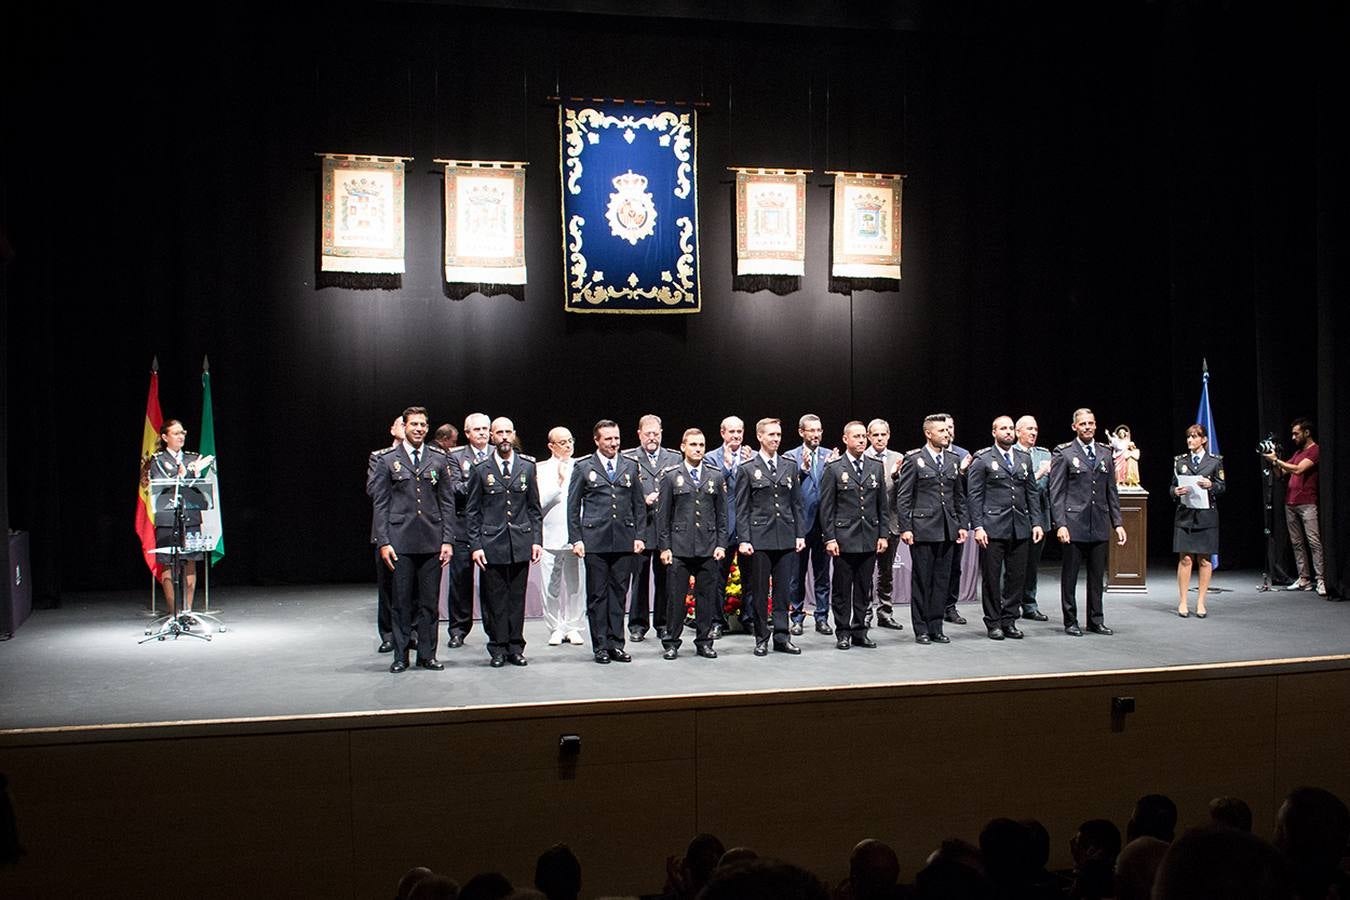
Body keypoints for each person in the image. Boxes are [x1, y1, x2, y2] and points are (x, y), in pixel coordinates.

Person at [369, 406, 453, 673]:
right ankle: (401, 655)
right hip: (400, 541)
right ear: (404, 427)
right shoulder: (387, 459)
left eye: (423, 425)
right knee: (401, 602)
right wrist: (384, 541)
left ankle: (427, 655)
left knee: (429, 603)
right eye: (414, 424)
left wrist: (448, 540)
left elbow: (447, 503)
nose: (419, 429)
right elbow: (380, 504)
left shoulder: (438, 458)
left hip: (431, 540)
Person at [567, 419, 646, 664]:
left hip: (623, 539)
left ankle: (616, 644)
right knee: (597, 596)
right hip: (595, 540)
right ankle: (600, 645)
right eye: (609, 439)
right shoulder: (583, 467)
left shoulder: (630, 466)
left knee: (619, 594)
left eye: (617, 438)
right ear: (597, 440)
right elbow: (572, 507)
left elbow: (639, 505)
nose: (614, 443)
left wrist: (640, 536)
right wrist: (576, 539)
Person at [467, 417, 543, 667]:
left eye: (508, 432)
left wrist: (536, 540)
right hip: (492, 543)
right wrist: (476, 545)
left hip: (520, 541)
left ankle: (515, 646)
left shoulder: (527, 467)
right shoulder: (481, 470)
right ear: (491, 436)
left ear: (514, 434)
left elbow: (534, 508)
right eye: (499, 433)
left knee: (516, 598)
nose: (504, 437)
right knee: (496, 599)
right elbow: (473, 511)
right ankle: (497, 647)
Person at [1049, 408, 1126, 636]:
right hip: (1073, 523)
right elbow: (1057, 493)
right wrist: (1060, 524)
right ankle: (1070, 621)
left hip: (1099, 522)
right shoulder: (1064, 453)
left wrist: (1118, 523)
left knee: (1096, 576)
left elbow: (1111, 491)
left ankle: (1095, 619)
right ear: (1075, 427)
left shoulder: (1104, 452)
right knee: (1070, 576)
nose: (1088, 427)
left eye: (1091, 423)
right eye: (1083, 424)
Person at [967, 415, 1045, 640]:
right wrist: (978, 526)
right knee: (992, 578)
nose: (1008, 432)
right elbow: (974, 496)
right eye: (1003, 428)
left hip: (1019, 525)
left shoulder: (1023, 458)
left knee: (1016, 577)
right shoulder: (982, 459)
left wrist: (1037, 522)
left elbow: (1031, 492)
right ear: (994, 432)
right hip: (992, 528)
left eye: (1011, 428)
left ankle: (1009, 620)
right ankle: (993, 622)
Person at [735, 417, 807, 656]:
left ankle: (781, 636)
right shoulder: (747, 469)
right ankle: (761, 637)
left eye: (778, 434)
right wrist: (744, 539)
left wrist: (800, 534)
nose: (776, 439)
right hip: (759, 538)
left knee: (782, 591)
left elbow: (797, 504)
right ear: (760, 437)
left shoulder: (789, 465)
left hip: (785, 536)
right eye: (771, 435)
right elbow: (742, 507)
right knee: (758, 591)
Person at [894, 414, 967, 645]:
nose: (947, 434)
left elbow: (959, 497)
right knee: (922, 580)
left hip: (947, 529)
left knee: (942, 580)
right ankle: (921, 628)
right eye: (942, 431)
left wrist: (962, 524)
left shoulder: (953, 459)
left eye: (947, 430)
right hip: (923, 529)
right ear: (928, 433)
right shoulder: (915, 459)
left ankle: (936, 626)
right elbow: (904, 497)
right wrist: (906, 527)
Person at [656, 428, 728, 659]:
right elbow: (663, 515)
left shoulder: (715, 475)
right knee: (676, 598)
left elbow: (722, 515)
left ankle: (704, 641)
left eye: (701, 445)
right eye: (693, 445)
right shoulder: (670, 475)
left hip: (708, 546)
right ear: (683, 446)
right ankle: (671, 642)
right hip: (679, 547)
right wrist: (664, 547)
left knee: (706, 598)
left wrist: (721, 544)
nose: (698, 449)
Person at [820, 421, 888, 649]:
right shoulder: (834, 468)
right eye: (856, 437)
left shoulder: (876, 466)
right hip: (843, 538)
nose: (861, 440)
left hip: (868, 536)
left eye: (863, 437)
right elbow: (827, 507)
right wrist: (829, 537)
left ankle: (860, 630)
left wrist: (883, 535)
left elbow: (882, 506)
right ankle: (843, 632)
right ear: (845, 439)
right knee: (841, 589)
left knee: (863, 588)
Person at [623, 414, 682, 642]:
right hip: (641, 528)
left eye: (656, 433)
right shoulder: (629, 458)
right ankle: (637, 625)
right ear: (639, 434)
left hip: (666, 529)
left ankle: (663, 623)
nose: (652, 438)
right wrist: (642, 499)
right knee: (639, 579)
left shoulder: (674, 458)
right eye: (648, 433)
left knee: (666, 579)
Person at [143, 418, 207, 619]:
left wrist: (196, 471)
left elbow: (198, 487)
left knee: (190, 561)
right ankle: (174, 613)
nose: (181, 436)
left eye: (183, 433)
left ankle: (187, 611)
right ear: (165, 437)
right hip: (167, 518)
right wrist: (182, 474)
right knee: (169, 562)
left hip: (190, 516)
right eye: (176, 433)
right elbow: (161, 485)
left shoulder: (192, 458)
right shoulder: (158, 460)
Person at [783, 414, 834, 636]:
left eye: (819, 430)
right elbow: (785, 489)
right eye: (811, 430)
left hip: (824, 525)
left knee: (823, 575)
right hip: (800, 526)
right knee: (797, 575)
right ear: (801, 432)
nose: (816, 434)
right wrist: (801, 470)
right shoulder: (789, 457)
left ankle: (822, 617)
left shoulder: (830, 456)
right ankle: (796, 617)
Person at [535, 427, 586, 647]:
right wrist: (558, 483)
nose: (567, 445)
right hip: (550, 534)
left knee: (576, 585)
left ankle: (574, 626)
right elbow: (538, 504)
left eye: (570, 441)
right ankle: (555, 627)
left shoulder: (582, 466)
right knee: (550, 586)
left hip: (576, 536)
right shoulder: (541, 469)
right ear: (551, 446)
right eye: (562, 442)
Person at [706, 416, 756, 636]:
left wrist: (746, 466)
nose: (736, 436)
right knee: (717, 577)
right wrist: (726, 466)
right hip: (721, 527)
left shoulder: (753, 457)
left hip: (748, 527)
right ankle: (717, 621)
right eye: (731, 432)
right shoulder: (710, 458)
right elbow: (713, 487)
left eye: (739, 431)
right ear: (722, 432)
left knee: (751, 577)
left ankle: (749, 618)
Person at [446, 413, 493, 647]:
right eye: (477, 429)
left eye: (486, 428)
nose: (483, 433)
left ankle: (494, 630)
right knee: (461, 580)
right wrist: (485, 486)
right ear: (467, 433)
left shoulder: (498, 453)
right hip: (463, 526)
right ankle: (458, 629)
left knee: (492, 583)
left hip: (492, 528)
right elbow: (454, 488)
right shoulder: (455, 457)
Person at [1264, 418, 1326, 596]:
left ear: (1307, 433)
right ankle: (1304, 578)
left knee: (1314, 542)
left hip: (1307, 503)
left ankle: (1321, 579)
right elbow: (1281, 474)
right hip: (1290, 502)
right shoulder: (1298, 452)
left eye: (1296, 433)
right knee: (1297, 543)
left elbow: (1298, 469)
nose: (1293, 437)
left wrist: (1277, 460)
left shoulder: (1315, 450)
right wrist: (1274, 461)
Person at [1172, 424, 1225, 618]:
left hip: (1206, 515)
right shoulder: (1180, 461)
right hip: (1185, 515)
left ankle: (1201, 602)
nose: (1190, 441)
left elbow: (1222, 486)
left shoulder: (1214, 462)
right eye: (1188, 437)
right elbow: (1172, 487)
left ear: (1203, 440)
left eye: (1194, 437)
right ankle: (1183, 601)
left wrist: (1211, 485)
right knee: (1185, 558)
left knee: (1204, 559)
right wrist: (1175, 492)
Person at [367, 415, 406, 653]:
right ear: (393, 429)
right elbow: (373, 489)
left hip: (416, 529)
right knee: (388, 586)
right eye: (402, 423)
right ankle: (389, 634)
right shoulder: (380, 457)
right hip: (389, 529)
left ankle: (411, 632)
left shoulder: (427, 457)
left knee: (416, 589)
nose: (408, 427)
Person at [864, 418, 906, 631]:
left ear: (888, 435)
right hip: (868, 524)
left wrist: (897, 477)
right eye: (876, 435)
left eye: (883, 434)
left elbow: (906, 492)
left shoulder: (899, 458)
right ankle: (865, 612)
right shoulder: (862, 457)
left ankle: (885, 612)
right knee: (865, 571)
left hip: (891, 523)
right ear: (869, 436)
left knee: (886, 572)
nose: (880, 438)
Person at [1014, 416, 1052, 621]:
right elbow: (1019, 488)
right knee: (1012, 565)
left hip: (1040, 516)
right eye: (1029, 429)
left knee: (1032, 564)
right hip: (1017, 516)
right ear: (1018, 432)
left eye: (1035, 429)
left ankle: (1029, 604)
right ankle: (1008, 603)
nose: (1033, 432)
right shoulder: (1011, 454)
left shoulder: (1044, 454)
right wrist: (1039, 474)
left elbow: (1047, 488)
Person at [940, 414, 975, 627]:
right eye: (944, 428)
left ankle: (950, 607)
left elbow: (968, 491)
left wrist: (963, 471)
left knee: (954, 567)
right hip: (933, 520)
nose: (948, 432)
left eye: (951, 427)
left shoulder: (963, 455)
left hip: (955, 519)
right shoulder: (924, 455)